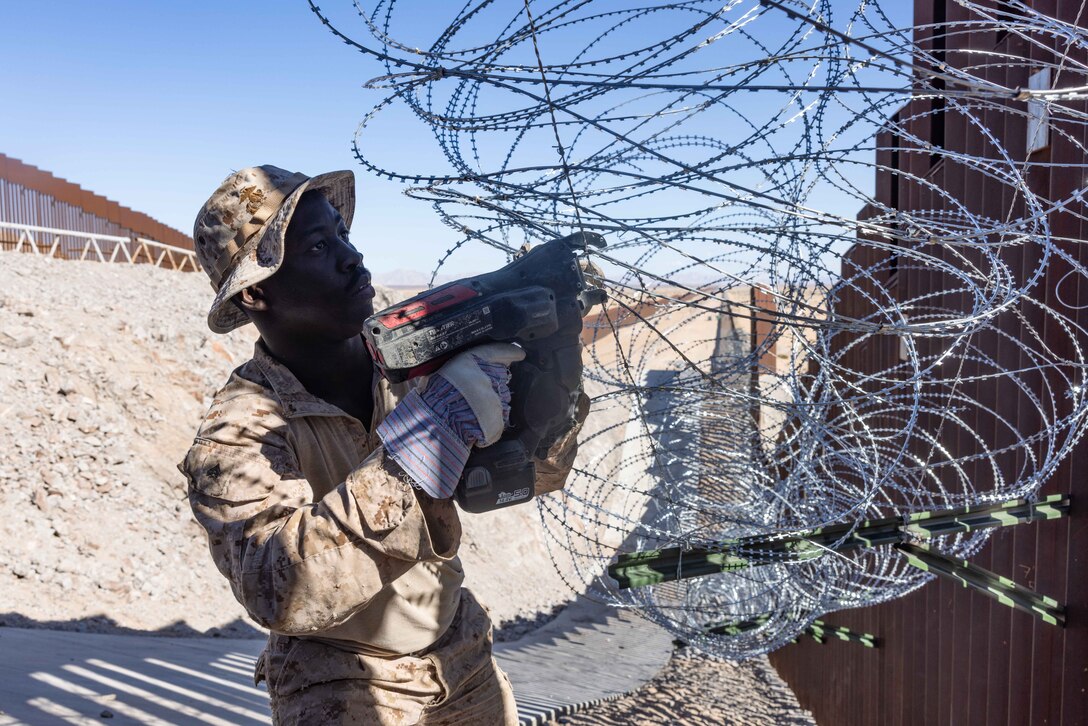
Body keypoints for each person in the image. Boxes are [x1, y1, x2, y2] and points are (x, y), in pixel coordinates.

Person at [178, 165, 585, 725]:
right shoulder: (239, 433)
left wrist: (554, 383)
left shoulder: (404, 356)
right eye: (319, 247)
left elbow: (521, 479)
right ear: (254, 294)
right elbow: (277, 589)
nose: (353, 258)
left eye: (342, 235)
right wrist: (426, 439)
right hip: (343, 686)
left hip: (461, 654)